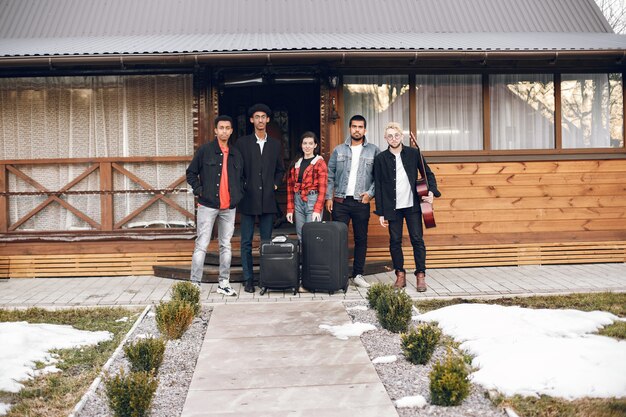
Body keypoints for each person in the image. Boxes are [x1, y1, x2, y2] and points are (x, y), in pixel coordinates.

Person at [373, 122, 440, 292]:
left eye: (396, 135)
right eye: (390, 136)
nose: (393, 139)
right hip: (392, 207)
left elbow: (428, 174)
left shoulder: (413, 153)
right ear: (385, 138)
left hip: (413, 206)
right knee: (394, 241)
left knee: (417, 239)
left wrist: (431, 191)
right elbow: (379, 186)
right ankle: (400, 275)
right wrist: (380, 212)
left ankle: (420, 276)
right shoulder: (380, 159)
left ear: (401, 136)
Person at [186, 115, 244, 296]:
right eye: (221, 128)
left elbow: (242, 178)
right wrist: (199, 190)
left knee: (225, 245)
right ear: (215, 130)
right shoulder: (205, 151)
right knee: (202, 244)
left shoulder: (236, 154)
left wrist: (238, 195)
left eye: (228, 128)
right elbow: (191, 173)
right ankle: (195, 283)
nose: (224, 131)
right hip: (207, 205)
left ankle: (223, 283)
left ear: (231, 131)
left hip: (229, 207)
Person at [234, 103, 285, 293]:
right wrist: (243, 186)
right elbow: (237, 169)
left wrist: (275, 184)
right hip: (248, 199)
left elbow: (280, 169)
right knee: (246, 241)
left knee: (266, 242)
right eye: (257, 117)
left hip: (268, 200)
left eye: (264, 116)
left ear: (268, 120)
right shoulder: (242, 143)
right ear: (251, 120)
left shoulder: (275, 144)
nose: (261, 120)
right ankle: (248, 279)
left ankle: (265, 278)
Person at [325, 115, 380, 289]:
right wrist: (329, 197)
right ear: (349, 128)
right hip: (340, 201)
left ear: (365, 130)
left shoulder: (373, 150)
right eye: (354, 126)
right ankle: (339, 274)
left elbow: (378, 177)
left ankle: (357, 275)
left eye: (360, 127)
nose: (357, 129)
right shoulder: (339, 150)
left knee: (360, 239)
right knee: (338, 239)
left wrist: (370, 194)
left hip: (360, 202)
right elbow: (330, 175)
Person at [285, 131, 328, 241]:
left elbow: (323, 188)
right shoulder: (296, 162)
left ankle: (312, 258)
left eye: (310, 143)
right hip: (298, 200)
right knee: (300, 235)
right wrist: (290, 209)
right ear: (301, 145)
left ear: (315, 145)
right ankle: (303, 258)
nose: (307, 146)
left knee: (312, 234)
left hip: (312, 200)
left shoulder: (319, 163)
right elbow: (290, 187)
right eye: (305, 143)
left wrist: (317, 209)